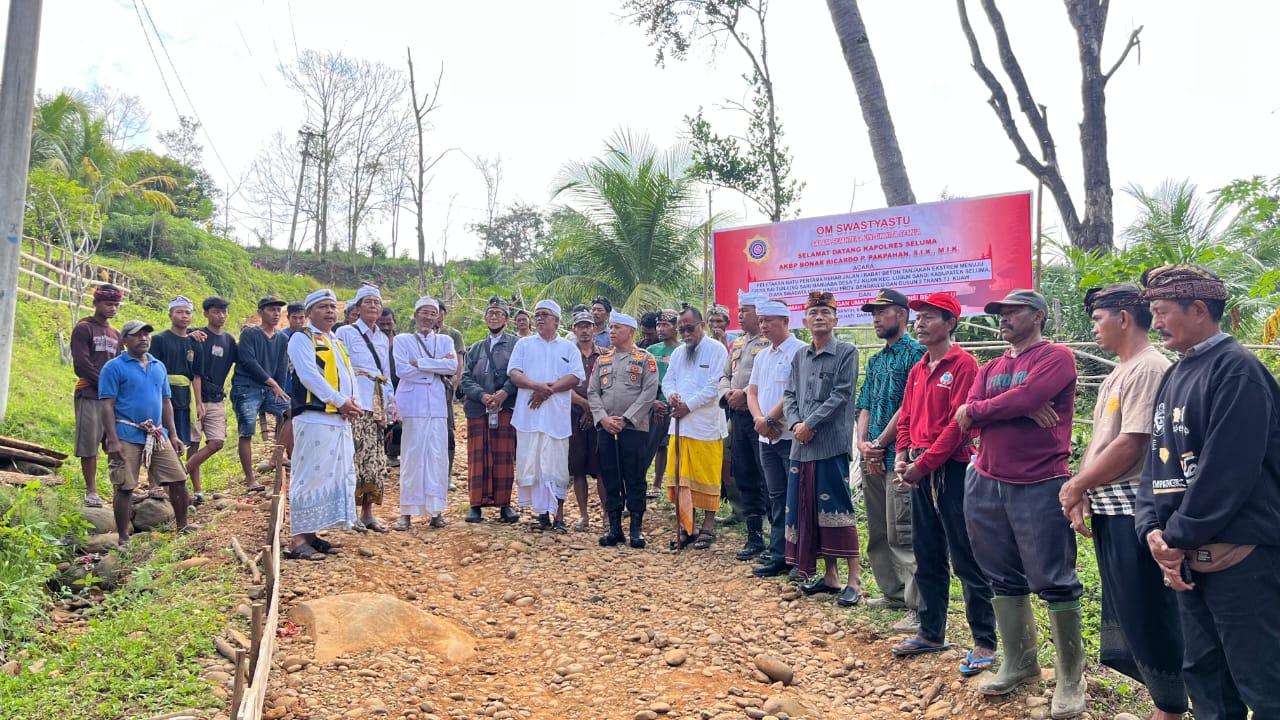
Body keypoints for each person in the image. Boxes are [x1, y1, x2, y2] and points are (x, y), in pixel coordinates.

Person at [1135, 265, 1280, 719]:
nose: (1155, 322)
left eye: (1161, 312)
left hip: (1240, 558)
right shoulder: (1174, 375)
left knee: (1262, 678)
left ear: (1198, 310)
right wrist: (1151, 530)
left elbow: (1227, 472)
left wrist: (1175, 538)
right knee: (1206, 676)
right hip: (1188, 556)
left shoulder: (1238, 371)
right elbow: (1155, 461)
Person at [1056, 283, 1186, 718]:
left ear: (1124, 318)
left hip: (1136, 509)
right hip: (1111, 507)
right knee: (1130, 609)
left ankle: (1170, 707)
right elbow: (1103, 443)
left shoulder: (1149, 368)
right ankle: (1161, 702)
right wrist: (1082, 488)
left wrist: (1076, 486)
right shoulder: (1120, 370)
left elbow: (1132, 444)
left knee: (1151, 609)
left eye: (1098, 318)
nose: (1094, 327)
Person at [955, 288, 1084, 716]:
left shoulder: (1056, 357)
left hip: (1040, 480)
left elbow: (1019, 399)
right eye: (1001, 313)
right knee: (1000, 573)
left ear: (1039, 316)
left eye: (1014, 312)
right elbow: (965, 410)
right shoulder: (991, 365)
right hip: (986, 478)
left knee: (1054, 575)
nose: (1004, 318)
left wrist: (997, 408)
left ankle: (1070, 676)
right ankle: (1021, 662)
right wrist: (1011, 408)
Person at [887, 293, 996, 676]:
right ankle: (931, 631)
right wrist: (902, 456)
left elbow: (959, 426)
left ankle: (984, 639)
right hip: (918, 467)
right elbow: (906, 418)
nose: (920, 323)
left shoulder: (964, 364)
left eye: (930, 317)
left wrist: (923, 463)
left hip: (951, 470)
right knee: (927, 550)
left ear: (950, 324)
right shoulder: (919, 368)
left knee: (966, 554)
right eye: (919, 318)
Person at [783, 291, 862, 607]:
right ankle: (830, 576)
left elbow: (841, 395)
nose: (818, 317)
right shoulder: (799, 356)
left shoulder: (846, 352)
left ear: (835, 319)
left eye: (825, 312)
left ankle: (854, 579)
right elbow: (789, 394)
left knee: (838, 508)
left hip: (829, 445)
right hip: (800, 447)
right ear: (804, 320)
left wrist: (809, 424)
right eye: (813, 312)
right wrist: (794, 425)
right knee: (810, 511)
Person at [855, 288, 924, 632]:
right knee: (879, 529)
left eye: (882, 312)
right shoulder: (877, 360)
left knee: (904, 532)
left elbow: (909, 406)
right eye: (874, 313)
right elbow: (864, 404)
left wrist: (880, 444)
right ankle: (892, 592)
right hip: (873, 457)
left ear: (901, 314)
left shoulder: (918, 354)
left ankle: (918, 606)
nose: (876, 318)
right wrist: (863, 444)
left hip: (901, 457)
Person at [99, 320, 196, 549]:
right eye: (137, 335)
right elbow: (106, 405)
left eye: (146, 334)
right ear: (124, 340)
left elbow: (165, 402)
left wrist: (172, 434)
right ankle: (123, 537)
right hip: (126, 432)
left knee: (179, 478)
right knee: (125, 486)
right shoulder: (114, 367)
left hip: (157, 433)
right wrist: (112, 439)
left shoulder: (157, 365)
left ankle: (182, 525)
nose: (143, 338)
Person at [284, 289, 361, 561]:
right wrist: (339, 400)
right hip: (315, 416)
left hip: (337, 419)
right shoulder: (301, 339)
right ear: (308, 313)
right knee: (309, 475)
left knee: (330, 475)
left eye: (332, 306)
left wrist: (352, 402)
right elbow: (309, 376)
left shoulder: (335, 340)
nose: (330, 311)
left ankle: (311, 534)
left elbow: (346, 374)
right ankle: (297, 540)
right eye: (323, 307)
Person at [508, 300, 585, 531]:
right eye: (537, 314)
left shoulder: (569, 347)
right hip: (529, 417)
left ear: (557, 320)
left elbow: (575, 377)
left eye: (545, 314)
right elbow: (514, 373)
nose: (540, 318)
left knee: (557, 466)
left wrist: (547, 390)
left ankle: (559, 516)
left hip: (556, 418)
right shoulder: (524, 344)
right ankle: (542, 515)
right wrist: (536, 385)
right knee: (533, 464)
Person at [746, 300, 806, 578]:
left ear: (785, 321)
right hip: (765, 438)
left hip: (788, 436)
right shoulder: (762, 355)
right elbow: (752, 391)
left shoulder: (800, 351)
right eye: (761, 321)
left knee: (796, 497)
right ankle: (778, 553)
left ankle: (799, 557)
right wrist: (759, 420)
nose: (763, 326)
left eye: (768, 320)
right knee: (776, 496)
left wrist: (769, 419)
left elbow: (794, 392)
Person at [589, 312, 659, 548]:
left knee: (635, 477)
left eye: (617, 327)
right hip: (606, 428)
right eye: (611, 327)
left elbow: (649, 392)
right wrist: (603, 419)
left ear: (631, 331)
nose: (612, 331)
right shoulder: (603, 360)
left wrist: (627, 419)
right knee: (611, 476)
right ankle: (615, 528)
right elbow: (593, 392)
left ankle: (636, 529)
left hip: (634, 428)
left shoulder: (644, 359)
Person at [663, 305, 729, 549]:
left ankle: (708, 527)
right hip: (680, 425)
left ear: (702, 325)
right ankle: (686, 526)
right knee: (681, 477)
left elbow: (715, 386)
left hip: (705, 425)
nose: (686, 334)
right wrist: (671, 396)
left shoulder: (717, 350)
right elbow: (668, 379)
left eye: (690, 328)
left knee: (706, 476)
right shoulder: (679, 352)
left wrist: (688, 406)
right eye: (682, 330)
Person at [392, 297, 458, 529]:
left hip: (438, 405)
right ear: (416, 314)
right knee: (412, 456)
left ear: (438, 316)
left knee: (437, 457)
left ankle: (436, 512)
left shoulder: (446, 340)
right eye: (424, 312)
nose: (428, 317)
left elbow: (452, 368)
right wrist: (435, 366)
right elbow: (402, 370)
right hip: (413, 404)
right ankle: (406, 513)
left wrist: (419, 362)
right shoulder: (402, 340)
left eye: (433, 313)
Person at [336, 285, 396, 533]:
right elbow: (339, 368)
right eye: (368, 302)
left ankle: (369, 512)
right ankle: (350, 513)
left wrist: (392, 403)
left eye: (376, 303)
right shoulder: (346, 333)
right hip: (355, 402)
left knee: (373, 458)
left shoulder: (382, 338)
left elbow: (386, 373)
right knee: (352, 457)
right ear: (357, 308)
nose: (373, 306)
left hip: (377, 404)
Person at [718, 290, 773, 561]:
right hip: (737, 416)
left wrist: (745, 395)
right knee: (744, 472)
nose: (740, 315)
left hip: (762, 417)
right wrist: (727, 394)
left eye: (746, 311)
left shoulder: (770, 343)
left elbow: (772, 380)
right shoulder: (736, 344)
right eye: (739, 311)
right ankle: (754, 537)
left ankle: (777, 538)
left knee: (768, 475)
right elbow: (725, 375)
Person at [460, 297, 521, 523]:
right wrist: (482, 395)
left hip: (504, 408)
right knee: (477, 456)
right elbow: (465, 378)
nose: (493, 317)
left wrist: (503, 392)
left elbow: (519, 372)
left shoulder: (516, 345)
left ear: (506, 318)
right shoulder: (475, 348)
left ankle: (504, 504)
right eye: (490, 313)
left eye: (498, 313)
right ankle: (476, 504)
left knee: (503, 456)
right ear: (485, 318)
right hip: (478, 409)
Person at [231, 296, 291, 493]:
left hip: (268, 389)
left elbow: (282, 366)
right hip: (246, 387)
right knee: (246, 431)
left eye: (278, 310)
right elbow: (249, 362)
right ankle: (250, 479)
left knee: (290, 412)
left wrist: (279, 389)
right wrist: (272, 383)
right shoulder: (250, 334)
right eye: (271, 309)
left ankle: (277, 457)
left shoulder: (282, 338)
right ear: (260, 312)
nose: (275, 314)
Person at [71, 284, 123, 508]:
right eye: (108, 304)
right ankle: (91, 490)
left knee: (114, 443)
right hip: (90, 394)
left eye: (116, 305)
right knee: (89, 444)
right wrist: (104, 384)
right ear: (96, 303)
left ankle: (119, 488)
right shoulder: (84, 328)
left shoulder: (115, 334)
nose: (112, 308)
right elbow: (82, 364)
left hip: (111, 400)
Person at [148, 296, 204, 495]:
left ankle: (174, 485)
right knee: (159, 438)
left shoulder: (194, 343)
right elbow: (152, 369)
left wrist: (199, 402)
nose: (183, 316)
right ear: (170, 314)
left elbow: (196, 375)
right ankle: (154, 484)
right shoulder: (160, 340)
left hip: (183, 397)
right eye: (179, 312)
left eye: (187, 312)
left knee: (179, 440)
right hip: (162, 396)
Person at [185, 296, 238, 503]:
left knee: (216, 442)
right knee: (194, 443)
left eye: (224, 312)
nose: (221, 316)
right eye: (216, 312)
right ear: (206, 313)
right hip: (195, 396)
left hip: (216, 399)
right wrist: (190, 333)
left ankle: (180, 473)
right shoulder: (198, 336)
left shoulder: (229, 341)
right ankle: (197, 489)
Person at [568, 310, 607, 530]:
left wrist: (593, 412)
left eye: (588, 326)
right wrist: (585, 407)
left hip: (599, 417)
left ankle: (606, 516)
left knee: (601, 467)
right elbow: (564, 386)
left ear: (594, 328)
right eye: (580, 326)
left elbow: (608, 386)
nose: (584, 330)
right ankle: (584, 516)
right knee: (577, 467)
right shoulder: (568, 353)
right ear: (574, 330)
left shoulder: (604, 354)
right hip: (573, 415)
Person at [645, 309, 679, 497]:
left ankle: (659, 483)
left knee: (664, 445)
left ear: (676, 327)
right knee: (648, 443)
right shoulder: (651, 351)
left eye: (666, 325)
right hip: (653, 403)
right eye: (659, 325)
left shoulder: (681, 350)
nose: (661, 329)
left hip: (673, 405)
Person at [436, 302, 466, 471]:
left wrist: (454, 387)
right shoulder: (420, 336)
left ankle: (447, 472)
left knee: (447, 430)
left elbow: (458, 363)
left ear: (444, 313)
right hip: (425, 388)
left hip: (446, 386)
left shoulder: (453, 334)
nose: (434, 315)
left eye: (438, 311)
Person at [377, 307, 402, 466]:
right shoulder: (373, 341)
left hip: (400, 387)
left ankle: (393, 453)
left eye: (388, 323)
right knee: (382, 422)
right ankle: (381, 454)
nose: (385, 327)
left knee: (399, 423)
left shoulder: (402, 341)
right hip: (379, 388)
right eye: (382, 324)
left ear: (394, 322)